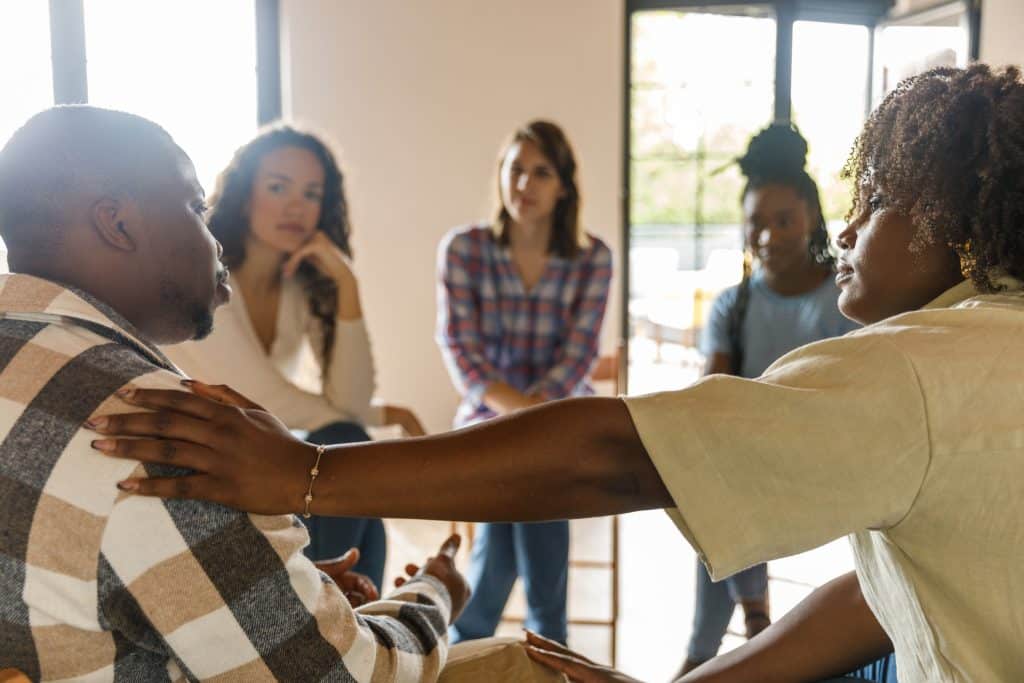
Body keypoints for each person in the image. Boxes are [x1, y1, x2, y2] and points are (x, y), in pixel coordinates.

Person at [94, 64, 1024, 682]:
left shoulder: (914, 364)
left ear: (965, 228)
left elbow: (614, 450)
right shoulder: (988, 345)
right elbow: (887, 588)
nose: (843, 231)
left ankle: (459, 607)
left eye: (880, 203)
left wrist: (308, 470)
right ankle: (462, 605)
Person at [0, 105, 468, 681]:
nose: (212, 235)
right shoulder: (153, 426)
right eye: (197, 208)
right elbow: (346, 676)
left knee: (346, 454)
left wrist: (269, 585)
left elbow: (341, 405)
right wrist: (434, 592)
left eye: (311, 192)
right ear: (117, 224)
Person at [164, 126, 425, 586]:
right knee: (350, 454)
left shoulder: (298, 287)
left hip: (240, 451)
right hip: (188, 454)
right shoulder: (204, 275)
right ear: (245, 194)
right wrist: (375, 424)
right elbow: (262, 399)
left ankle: (347, 626)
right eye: (278, 187)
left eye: (311, 193)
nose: (295, 207)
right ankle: (334, 627)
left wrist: (347, 285)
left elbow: (350, 398)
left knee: (364, 503)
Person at [678, 123, 859, 676]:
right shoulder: (732, 306)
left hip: (829, 459)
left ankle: (708, 652)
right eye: (756, 222)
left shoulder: (846, 296)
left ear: (811, 220)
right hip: (752, 462)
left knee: (720, 498)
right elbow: (711, 401)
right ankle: (737, 628)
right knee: (715, 483)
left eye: (785, 221)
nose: (769, 235)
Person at [436, 120, 612, 644]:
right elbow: (460, 352)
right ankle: (548, 635)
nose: (524, 185)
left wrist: (534, 419)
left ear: (564, 186)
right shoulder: (463, 249)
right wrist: (521, 417)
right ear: (500, 175)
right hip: (488, 419)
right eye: (515, 170)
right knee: (531, 487)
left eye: (541, 172)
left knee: (515, 507)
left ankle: (469, 640)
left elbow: (579, 356)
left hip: (559, 419)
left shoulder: (592, 258)